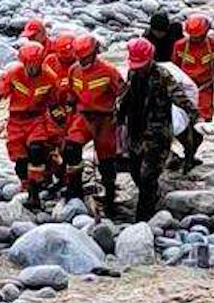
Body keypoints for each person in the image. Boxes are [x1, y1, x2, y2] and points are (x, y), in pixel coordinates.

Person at [118, 38, 200, 221]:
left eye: (141, 64)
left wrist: (194, 114)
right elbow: (126, 98)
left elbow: (179, 95)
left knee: (148, 175)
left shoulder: (163, 76)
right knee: (134, 170)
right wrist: (118, 116)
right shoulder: (132, 74)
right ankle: (152, 197)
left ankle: (143, 218)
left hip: (157, 133)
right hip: (136, 129)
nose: (139, 68)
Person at [0, 42, 60, 210]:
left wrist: (62, 127)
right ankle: (27, 183)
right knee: (20, 161)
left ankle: (34, 193)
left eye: (35, 64)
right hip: (16, 121)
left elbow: (54, 106)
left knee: (36, 150)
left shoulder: (50, 78)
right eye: (28, 65)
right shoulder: (13, 75)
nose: (31, 68)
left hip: (37, 120)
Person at [67, 34, 124, 210]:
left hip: (105, 119)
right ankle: (74, 190)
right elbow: (71, 95)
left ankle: (109, 194)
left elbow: (123, 94)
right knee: (71, 147)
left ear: (94, 53)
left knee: (107, 160)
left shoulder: (109, 72)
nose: (82, 61)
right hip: (84, 117)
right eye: (79, 58)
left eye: (84, 57)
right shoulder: (74, 71)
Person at [171, 13, 214, 170]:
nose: (195, 39)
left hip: (204, 90)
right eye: (192, 36)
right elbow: (174, 68)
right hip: (184, 91)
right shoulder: (180, 46)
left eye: (198, 36)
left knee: (202, 123)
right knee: (181, 122)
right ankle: (187, 152)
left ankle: (190, 154)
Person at [44, 33, 78, 194]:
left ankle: (69, 180)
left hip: (73, 111)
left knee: (69, 146)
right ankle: (49, 177)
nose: (64, 60)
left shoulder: (80, 65)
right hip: (53, 109)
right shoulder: (50, 62)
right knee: (47, 142)